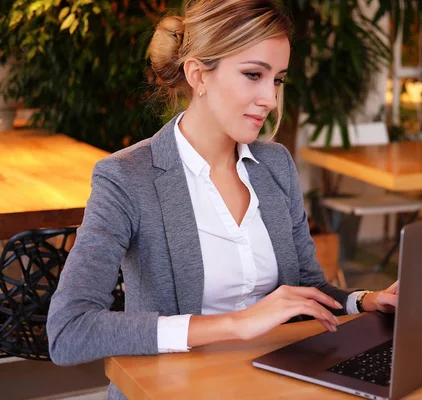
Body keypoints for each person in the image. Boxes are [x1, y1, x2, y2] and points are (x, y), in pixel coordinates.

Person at [47, 1, 398, 398]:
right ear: (198, 74)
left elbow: (305, 290)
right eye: (253, 75)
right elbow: (69, 330)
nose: (270, 98)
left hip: (271, 384)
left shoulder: (275, 166)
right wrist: (236, 323)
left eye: (278, 80)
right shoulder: (127, 178)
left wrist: (365, 301)